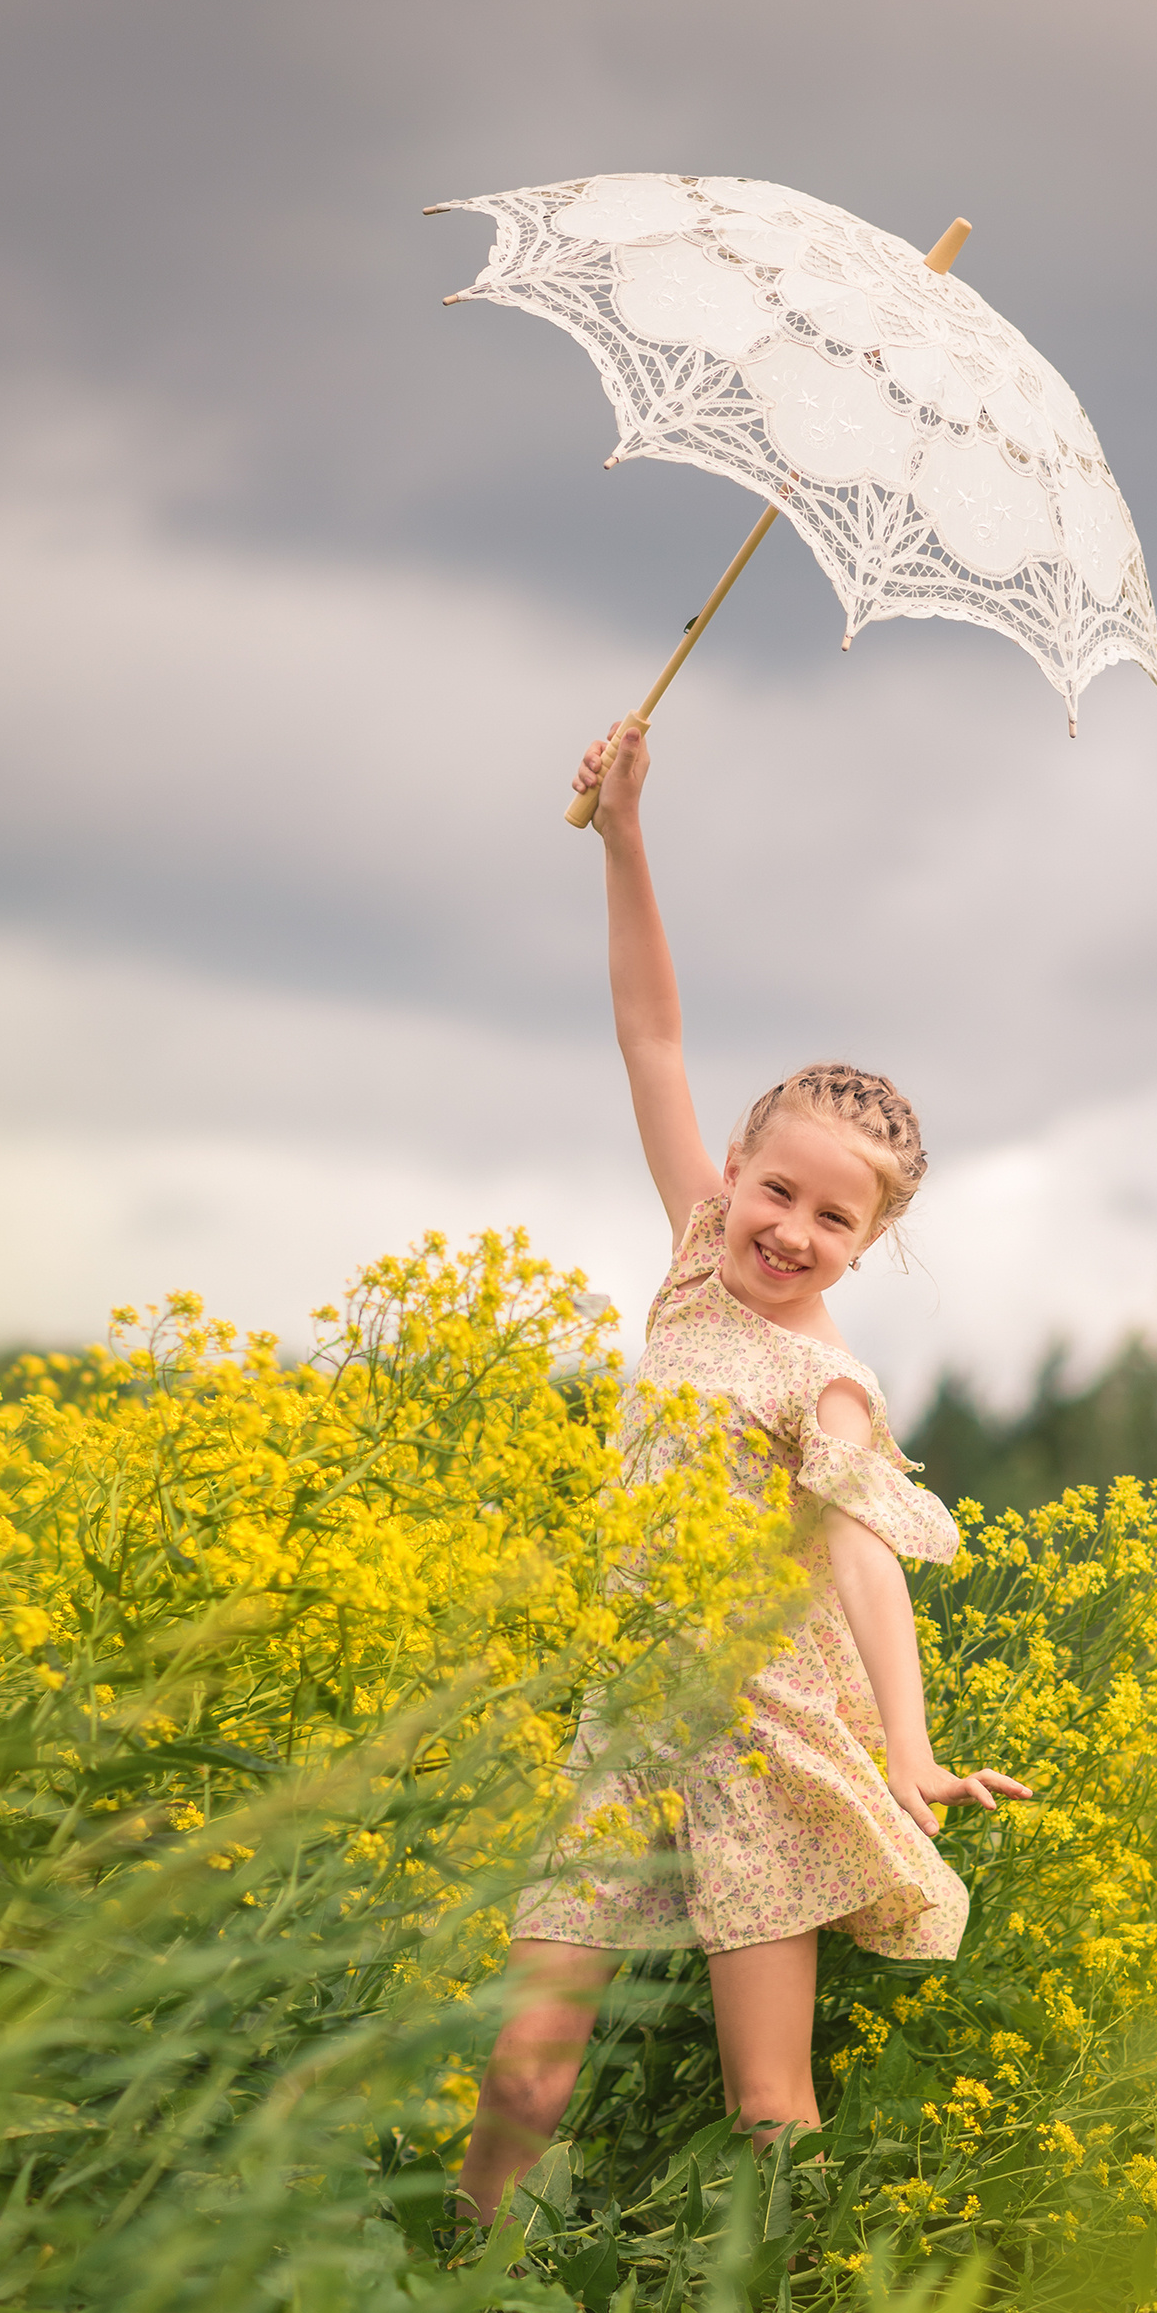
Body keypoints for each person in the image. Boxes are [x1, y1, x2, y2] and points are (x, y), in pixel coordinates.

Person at [454, 724, 1032, 2229]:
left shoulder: (823, 1378)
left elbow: (861, 1559)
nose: (788, 1230)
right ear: (735, 1172)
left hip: (765, 1743)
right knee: (524, 2065)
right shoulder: (691, 1268)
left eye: (831, 1220)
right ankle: (449, 2291)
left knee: (768, 2102)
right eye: (775, 1189)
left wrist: (908, 1754)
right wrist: (623, 835)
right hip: (632, 1715)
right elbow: (650, 1030)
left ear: (867, 1243)